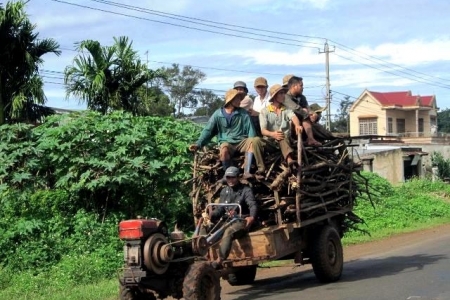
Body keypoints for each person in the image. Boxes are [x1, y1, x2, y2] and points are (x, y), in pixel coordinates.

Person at [189, 88, 265, 179]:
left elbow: (251, 131)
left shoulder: (243, 113)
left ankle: (247, 172)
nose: (239, 101)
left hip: (242, 141)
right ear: (231, 100)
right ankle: (228, 174)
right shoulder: (218, 114)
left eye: (240, 99)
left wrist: (251, 142)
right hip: (227, 142)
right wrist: (198, 144)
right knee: (224, 149)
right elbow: (208, 130)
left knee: (253, 140)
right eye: (237, 99)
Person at [208, 166, 257, 269]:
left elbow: (252, 205)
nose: (230, 180)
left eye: (232, 177)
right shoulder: (224, 191)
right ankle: (203, 255)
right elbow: (220, 209)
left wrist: (251, 217)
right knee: (206, 228)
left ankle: (220, 260)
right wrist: (211, 215)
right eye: (228, 177)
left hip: (241, 221)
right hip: (227, 220)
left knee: (228, 231)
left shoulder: (245, 190)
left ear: (238, 177)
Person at [259, 84, 302, 168]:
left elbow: (293, 117)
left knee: (281, 135)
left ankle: (289, 160)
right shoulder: (264, 111)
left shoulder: (286, 109)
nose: (283, 96)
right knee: (258, 141)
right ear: (275, 96)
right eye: (281, 93)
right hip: (270, 141)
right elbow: (263, 131)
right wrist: (273, 134)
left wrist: (297, 125)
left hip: (284, 139)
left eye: (284, 93)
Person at [283, 75, 321, 146]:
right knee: (303, 114)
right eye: (301, 85)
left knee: (309, 113)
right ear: (294, 86)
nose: (302, 88)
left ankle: (311, 139)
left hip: (301, 123)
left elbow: (308, 108)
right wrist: (307, 114)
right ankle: (308, 139)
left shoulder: (302, 97)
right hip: (289, 123)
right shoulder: (285, 97)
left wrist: (312, 114)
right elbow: (296, 108)